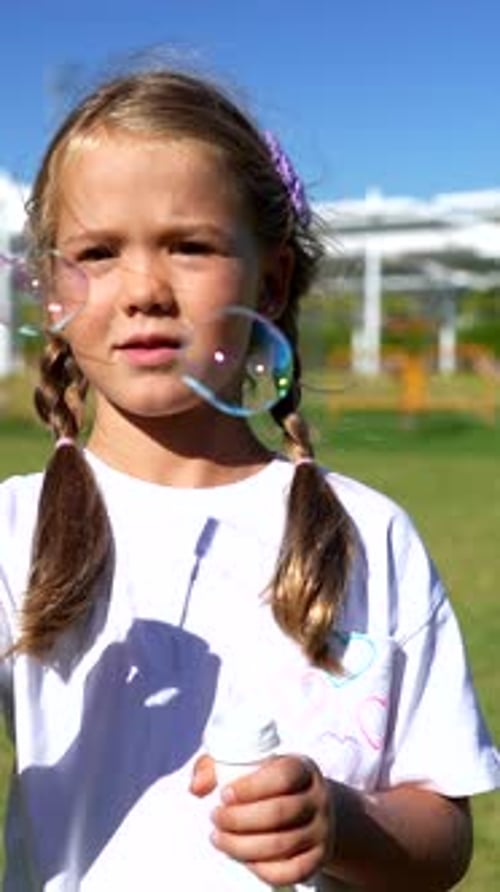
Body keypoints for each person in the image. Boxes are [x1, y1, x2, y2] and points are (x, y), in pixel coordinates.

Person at [0, 66, 498, 892]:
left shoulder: (368, 534)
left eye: (190, 246)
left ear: (270, 280)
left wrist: (340, 822)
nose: (145, 291)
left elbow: (442, 842)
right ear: (54, 294)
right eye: (96, 253)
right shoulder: (13, 531)